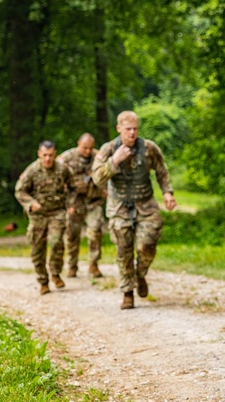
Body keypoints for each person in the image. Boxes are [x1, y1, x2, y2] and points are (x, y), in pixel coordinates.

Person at [91, 111, 176, 310]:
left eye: (135, 129)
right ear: (119, 128)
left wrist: (167, 193)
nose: (132, 133)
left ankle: (140, 274)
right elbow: (97, 179)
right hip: (119, 206)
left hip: (145, 204)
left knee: (147, 245)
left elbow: (162, 171)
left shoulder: (148, 148)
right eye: (128, 129)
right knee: (124, 250)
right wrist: (115, 161)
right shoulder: (108, 149)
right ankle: (127, 292)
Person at [15, 140, 77, 295]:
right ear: (39, 154)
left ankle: (55, 273)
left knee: (56, 242)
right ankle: (43, 281)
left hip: (57, 212)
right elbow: (20, 191)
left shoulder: (63, 169)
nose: (48, 159)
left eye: (50, 155)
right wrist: (31, 203)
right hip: (38, 215)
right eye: (44, 155)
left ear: (55, 154)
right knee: (37, 247)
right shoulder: (32, 170)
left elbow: (73, 188)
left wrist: (71, 204)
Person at [59, 133, 107, 278]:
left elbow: (108, 172)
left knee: (95, 231)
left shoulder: (98, 156)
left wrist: (105, 188)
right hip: (74, 202)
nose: (87, 151)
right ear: (78, 143)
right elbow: (56, 176)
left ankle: (93, 265)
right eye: (84, 148)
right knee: (72, 235)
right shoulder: (67, 157)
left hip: (93, 201)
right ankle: (72, 266)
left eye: (90, 148)